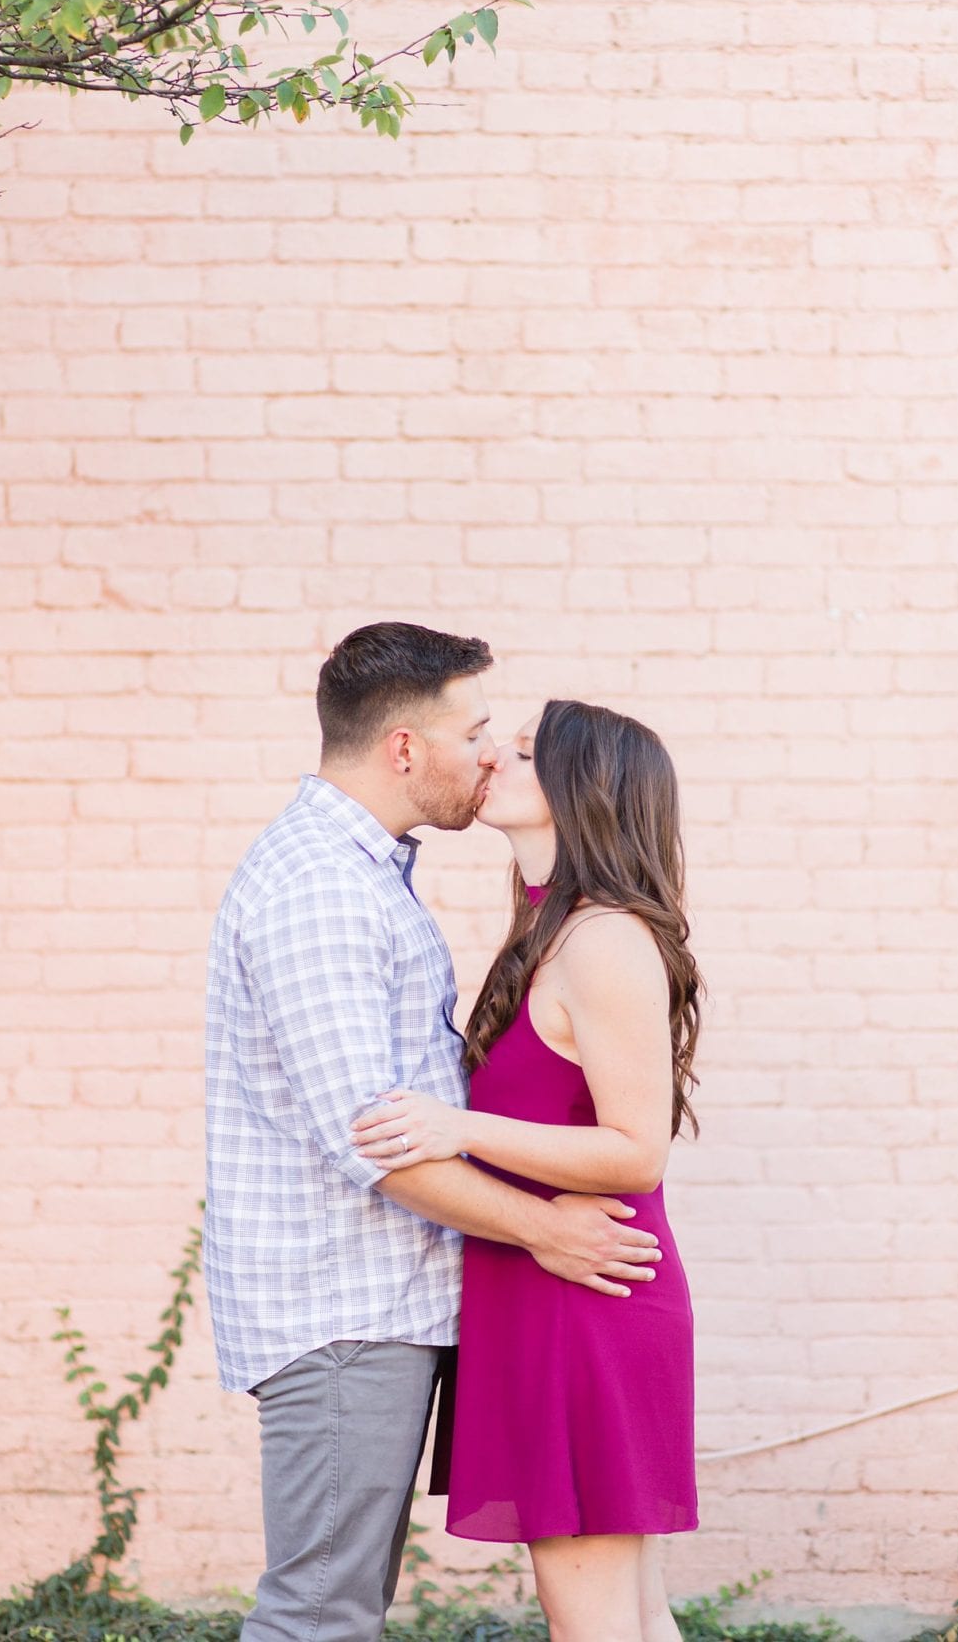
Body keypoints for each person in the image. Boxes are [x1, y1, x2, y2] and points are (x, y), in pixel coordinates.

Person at [204, 627, 666, 1642]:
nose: (491, 751)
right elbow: (374, 1140)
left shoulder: (376, 879)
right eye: (476, 730)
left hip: (393, 1303)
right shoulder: (324, 889)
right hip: (343, 1308)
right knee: (320, 1613)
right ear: (406, 749)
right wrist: (540, 1229)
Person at [353, 699, 701, 1642]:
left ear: (582, 789)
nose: (489, 757)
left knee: (594, 1623)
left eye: (520, 750)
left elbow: (638, 1149)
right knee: (627, 1618)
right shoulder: (552, 932)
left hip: (589, 1298)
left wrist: (454, 1127)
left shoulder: (605, 942)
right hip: (553, 1289)